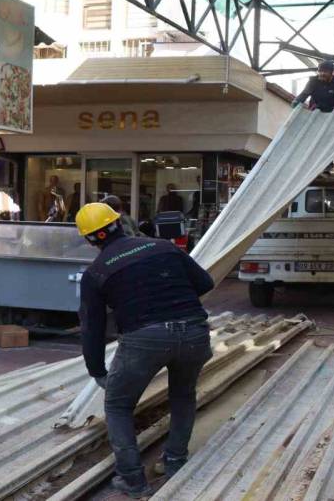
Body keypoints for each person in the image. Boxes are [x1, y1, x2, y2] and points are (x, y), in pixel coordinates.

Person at [75, 203, 215, 497]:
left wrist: (97, 370)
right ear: (120, 223)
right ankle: (175, 461)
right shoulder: (164, 247)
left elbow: (92, 327)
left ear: (89, 239)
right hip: (194, 332)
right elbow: (205, 282)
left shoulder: (96, 273)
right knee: (183, 395)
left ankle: (133, 480)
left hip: (144, 340)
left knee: (118, 405)